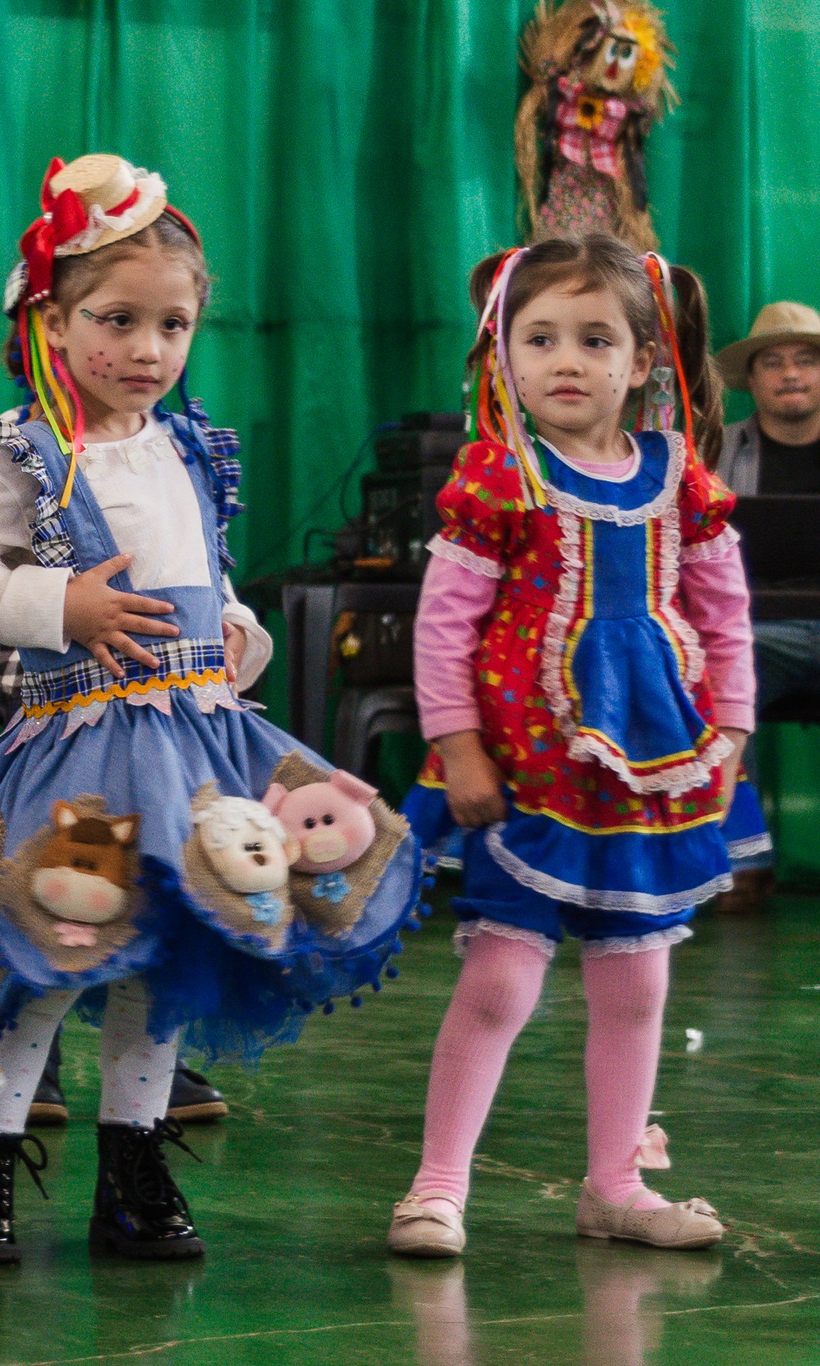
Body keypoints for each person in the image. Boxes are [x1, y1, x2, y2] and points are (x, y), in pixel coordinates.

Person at [0, 154, 416, 1266]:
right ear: (52, 322)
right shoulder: (29, 454)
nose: (147, 349)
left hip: (193, 748)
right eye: (117, 320)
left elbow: (206, 575)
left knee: (162, 963)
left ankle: (133, 1166)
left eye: (172, 325)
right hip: (83, 756)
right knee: (50, 959)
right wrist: (60, 604)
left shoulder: (187, 446)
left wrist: (237, 631)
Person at [389, 234, 749, 1258]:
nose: (565, 361)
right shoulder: (498, 477)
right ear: (500, 354)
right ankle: (436, 1188)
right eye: (538, 337)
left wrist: (730, 728)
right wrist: (457, 745)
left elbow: (724, 614)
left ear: (641, 361)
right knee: (499, 980)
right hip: (525, 771)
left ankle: (614, 1186)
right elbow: (442, 627)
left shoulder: (680, 478)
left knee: (636, 985)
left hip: (649, 769)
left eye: (595, 340)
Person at [0, 551, 229, 1129]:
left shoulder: (191, 484)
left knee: (141, 875)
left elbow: (203, 551)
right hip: (45, 684)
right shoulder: (31, 480)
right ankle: (38, 1061)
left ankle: (158, 1056)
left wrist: (231, 625)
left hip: (162, 686)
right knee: (47, 877)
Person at [708, 301, 820, 908]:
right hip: (755, 632)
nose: (791, 374)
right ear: (750, 380)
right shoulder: (717, 453)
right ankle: (743, 860)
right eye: (773, 362)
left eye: (806, 360)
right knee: (706, 675)